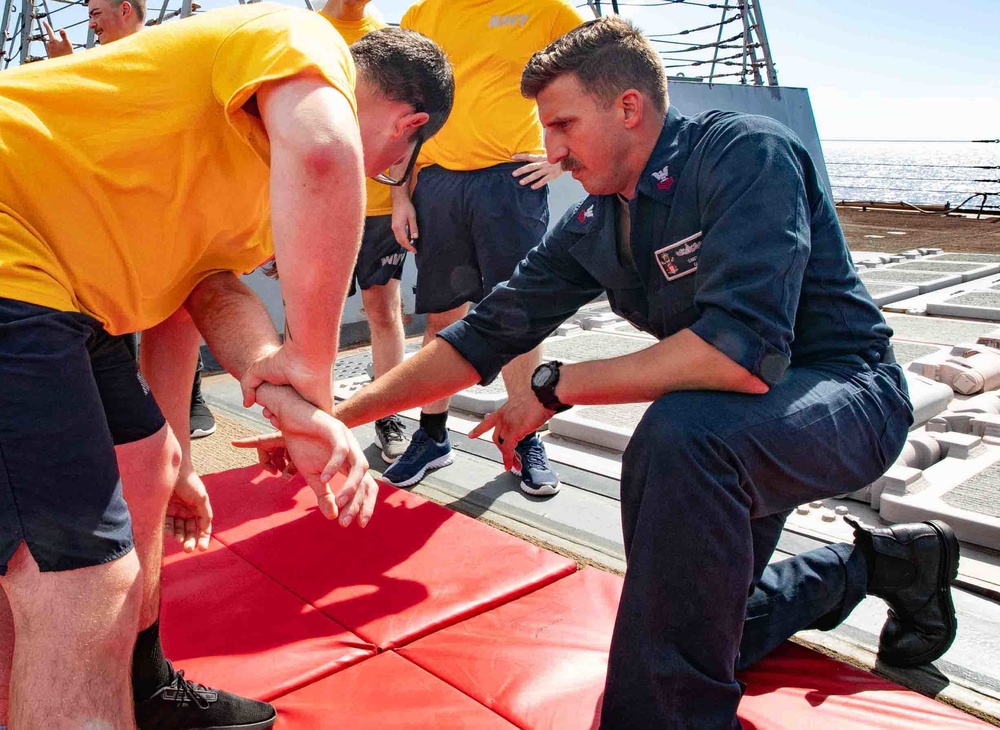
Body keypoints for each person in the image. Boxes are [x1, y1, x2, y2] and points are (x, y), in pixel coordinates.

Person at [239, 16, 960, 728]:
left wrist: (550, 389)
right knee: (692, 632)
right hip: (744, 421)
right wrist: (338, 417)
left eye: (563, 126)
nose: (551, 150)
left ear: (629, 107)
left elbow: (738, 356)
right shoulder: (595, 223)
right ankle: (886, 567)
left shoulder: (745, 154)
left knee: (682, 441)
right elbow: (477, 340)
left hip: (848, 397)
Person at [0, 7, 453, 729]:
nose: (377, 176)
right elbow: (325, 156)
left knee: (146, 465)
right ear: (407, 127)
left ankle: (132, 687)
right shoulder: (305, 42)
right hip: (16, 261)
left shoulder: (251, 176)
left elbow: (198, 296)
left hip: (60, 294)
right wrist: (313, 366)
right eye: (392, 166)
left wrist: (192, 452)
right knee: (80, 585)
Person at [377, 0, 586, 495]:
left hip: (509, 182)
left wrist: (566, 157)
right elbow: (404, 117)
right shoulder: (421, 17)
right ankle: (432, 437)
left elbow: (599, 75)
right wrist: (400, 195)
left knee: (519, 316)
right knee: (442, 319)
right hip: (438, 186)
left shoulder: (549, 12)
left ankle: (527, 434)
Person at [43, 0, 221, 442]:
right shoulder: (89, 65)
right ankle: (121, 406)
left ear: (126, 9)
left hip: (166, 210)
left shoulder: (166, 56)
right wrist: (67, 72)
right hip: (108, 218)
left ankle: (191, 399)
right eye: (88, 15)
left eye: (97, 13)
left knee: (177, 311)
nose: (91, 23)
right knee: (111, 314)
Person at [318, 0, 410, 464]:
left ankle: (388, 414)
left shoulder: (387, 36)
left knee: (384, 310)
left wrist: (401, 197)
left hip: (378, 206)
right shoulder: (308, 31)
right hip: (318, 204)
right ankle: (311, 419)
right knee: (312, 316)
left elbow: (406, 127)